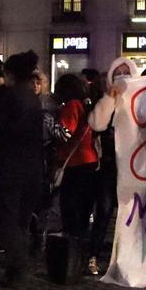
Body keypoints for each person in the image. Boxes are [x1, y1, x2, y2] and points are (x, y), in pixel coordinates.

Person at [0, 52, 49, 285]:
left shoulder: (8, 96)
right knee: (23, 220)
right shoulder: (34, 98)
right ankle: (20, 265)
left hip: (12, 166)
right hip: (34, 167)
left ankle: (16, 269)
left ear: (11, 73)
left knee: (9, 219)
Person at [87, 58, 137, 275]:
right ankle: (93, 255)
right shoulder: (107, 99)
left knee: (133, 213)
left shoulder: (140, 101)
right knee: (105, 210)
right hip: (110, 165)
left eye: (127, 72)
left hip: (136, 167)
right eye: (119, 72)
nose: (123, 75)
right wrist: (110, 98)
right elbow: (97, 123)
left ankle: (130, 258)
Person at [55, 73, 100, 273]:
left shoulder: (71, 105)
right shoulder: (85, 105)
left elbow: (64, 133)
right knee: (83, 213)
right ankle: (79, 256)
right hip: (90, 162)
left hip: (75, 164)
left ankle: (69, 259)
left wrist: (49, 123)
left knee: (70, 211)